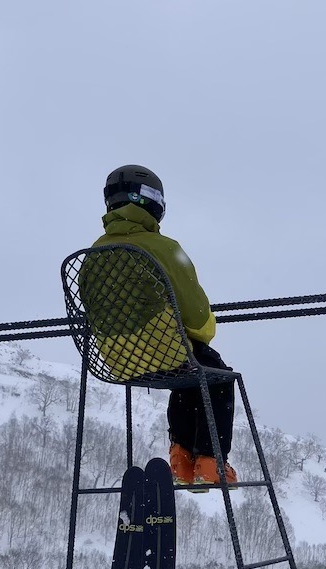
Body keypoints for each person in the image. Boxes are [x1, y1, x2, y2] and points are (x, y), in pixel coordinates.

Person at [87, 165, 237, 488]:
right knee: (217, 376)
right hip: (167, 356)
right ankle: (210, 463)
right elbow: (200, 322)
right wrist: (203, 326)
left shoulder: (92, 257)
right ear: (154, 203)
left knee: (184, 377)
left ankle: (181, 460)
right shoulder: (165, 249)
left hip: (116, 363)